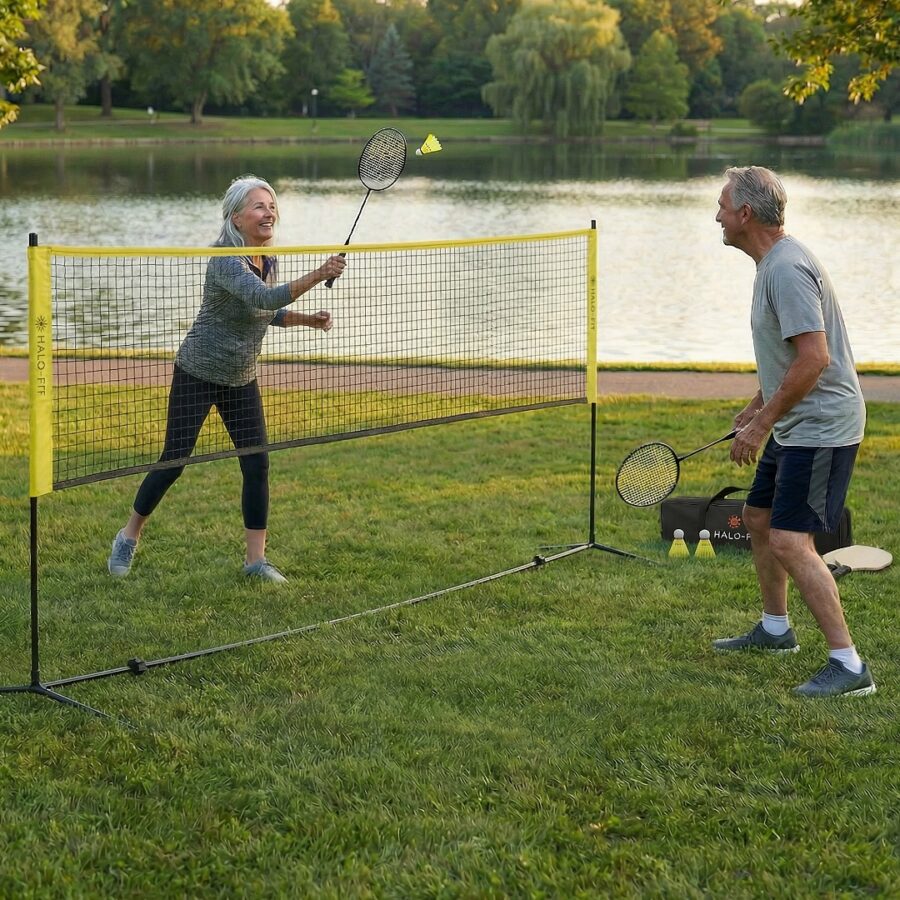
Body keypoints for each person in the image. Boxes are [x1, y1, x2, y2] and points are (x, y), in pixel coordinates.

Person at [108, 174, 346, 583]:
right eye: (258, 206)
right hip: (198, 372)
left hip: (241, 378)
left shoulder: (266, 259)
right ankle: (128, 536)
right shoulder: (225, 258)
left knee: (256, 464)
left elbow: (265, 311)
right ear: (236, 217)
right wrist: (319, 272)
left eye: (272, 206)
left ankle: (255, 562)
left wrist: (308, 319)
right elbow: (262, 297)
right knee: (174, 461)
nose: (268, 212)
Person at [712, 165, 875, 698]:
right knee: (758, 517)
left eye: (722, 207)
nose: (716, 216)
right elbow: (790, 358)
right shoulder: (772, 264)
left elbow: (814, 359)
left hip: (823, 427)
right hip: (797, 421)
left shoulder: (786, 269)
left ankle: (849, 665)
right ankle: (776, 629)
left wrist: (762, 424)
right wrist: (758, 403)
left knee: (789, 538)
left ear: (745, 214)